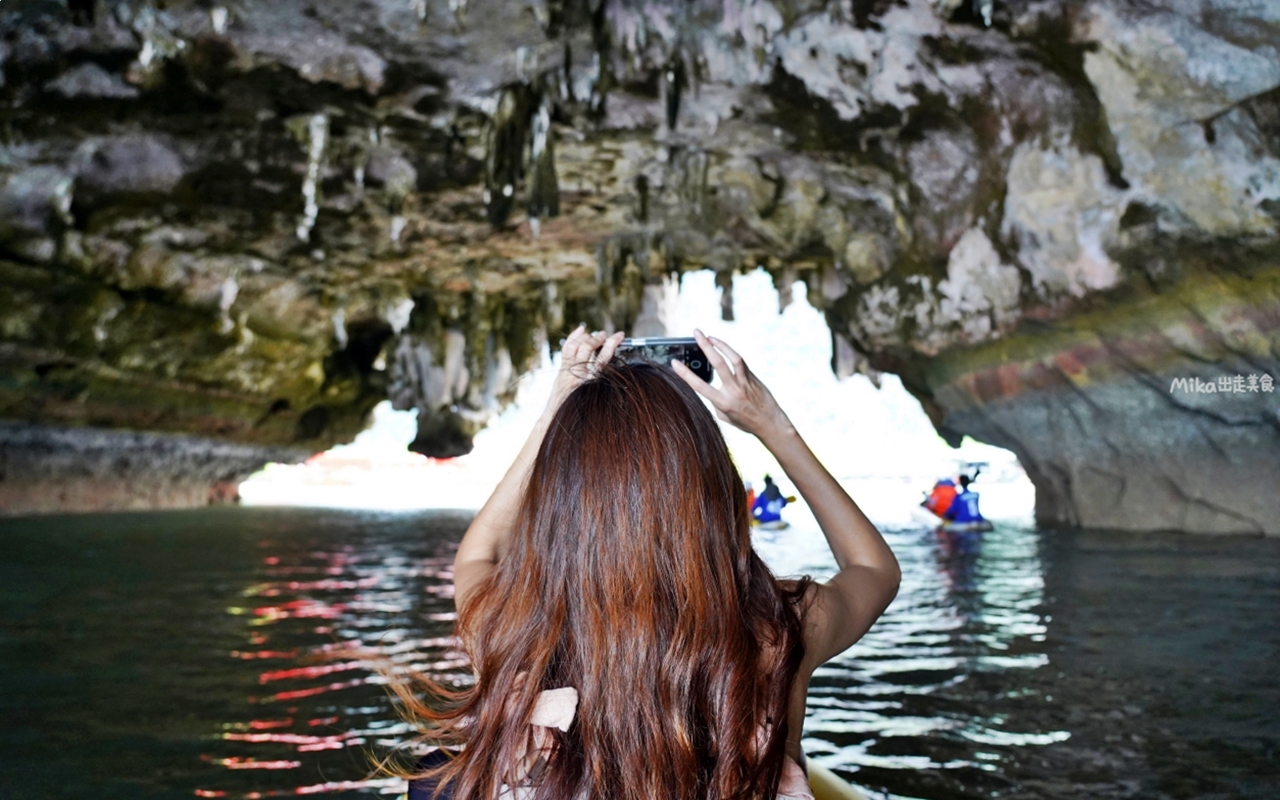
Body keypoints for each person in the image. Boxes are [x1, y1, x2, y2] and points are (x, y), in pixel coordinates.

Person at [391, 326, 900, 800]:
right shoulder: (780, 630)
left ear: (558, 502)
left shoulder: (512, 627)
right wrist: (771, 425)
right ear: (715, 493)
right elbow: (874, 570)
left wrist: (556, 410)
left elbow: (481, 554)